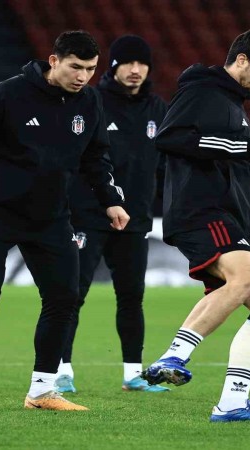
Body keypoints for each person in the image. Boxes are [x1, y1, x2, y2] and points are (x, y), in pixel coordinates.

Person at [0, 30, 129, 412]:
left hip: (50, 217)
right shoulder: (5, 95)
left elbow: (96, 158)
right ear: (54, 60)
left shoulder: (89, 101)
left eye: (91, 69)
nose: (83, 77)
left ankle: (42, 390)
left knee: (64, 298)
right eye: (75, 67)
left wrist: (111, 200)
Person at [140, 28, 250, 422]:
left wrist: (243, 155)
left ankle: (232, 404)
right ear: (241, 60)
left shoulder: (232, 104)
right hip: (202, 211)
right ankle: (174, 355)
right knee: (246, 278)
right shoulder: (202, 90)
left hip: (229, 218)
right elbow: (170, 138)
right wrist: (242, 147)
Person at [55, 35, 169, 394]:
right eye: (128, 63)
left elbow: (168, 161)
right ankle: (60, 370)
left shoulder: (158, 109)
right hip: (87, 216)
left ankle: (133, 374)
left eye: (142, 63)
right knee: (72, 294)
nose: (136, 70)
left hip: (135, 219)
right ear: (114, 66)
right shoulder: (91, 101)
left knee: (132, 297)